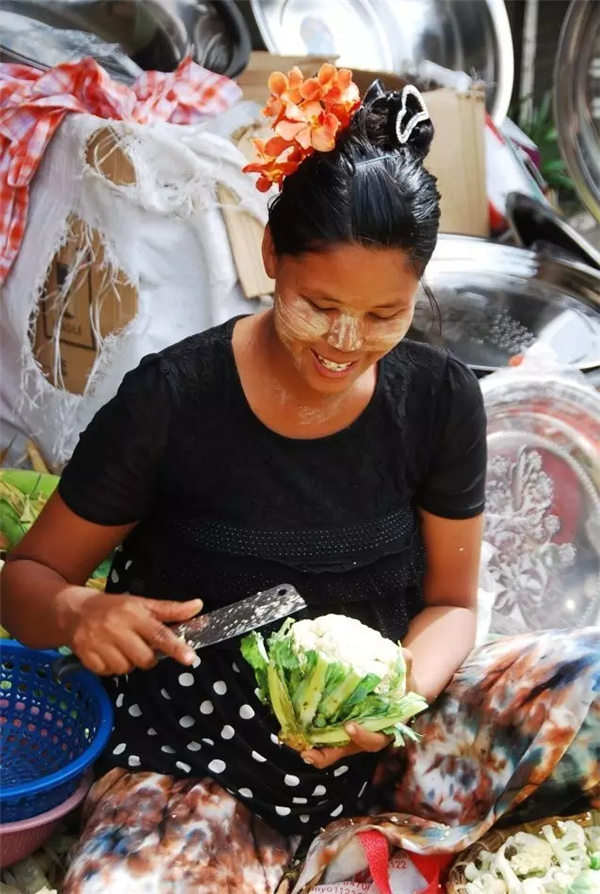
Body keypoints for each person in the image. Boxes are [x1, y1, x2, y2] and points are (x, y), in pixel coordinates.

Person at [7, 68, 592, 893]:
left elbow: (453, 608)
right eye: (318, 305)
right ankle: (313, 857)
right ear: (271, 257)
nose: (345, 342)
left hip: (387, 739)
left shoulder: (438, 399)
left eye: (384, 315)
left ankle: (357, 842)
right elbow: (26, 582)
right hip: (202, 754)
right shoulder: (172, 400)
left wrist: (396, 695)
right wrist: (78, 611)